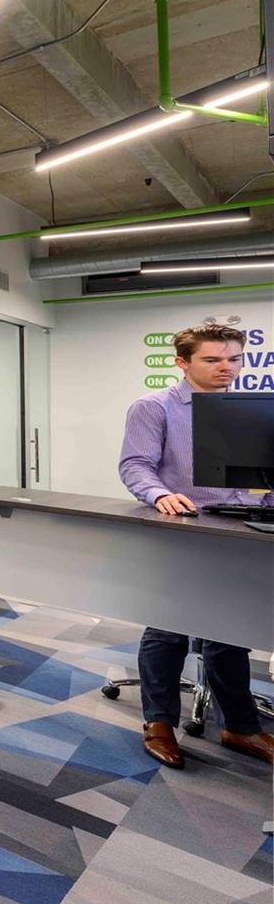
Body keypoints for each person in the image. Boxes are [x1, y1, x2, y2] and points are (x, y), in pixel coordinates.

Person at [118, 323, 274, 768]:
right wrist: (159, 494)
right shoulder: (155, 407)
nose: (227, 367)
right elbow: (135, 465)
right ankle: (159, 723)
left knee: (230, 632)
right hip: (185, 528)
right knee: (169, 628)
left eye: (234, 358)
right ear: (182, 362)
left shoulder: (255, 410)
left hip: (245, 530)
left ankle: (239, 727)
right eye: (212, 359)